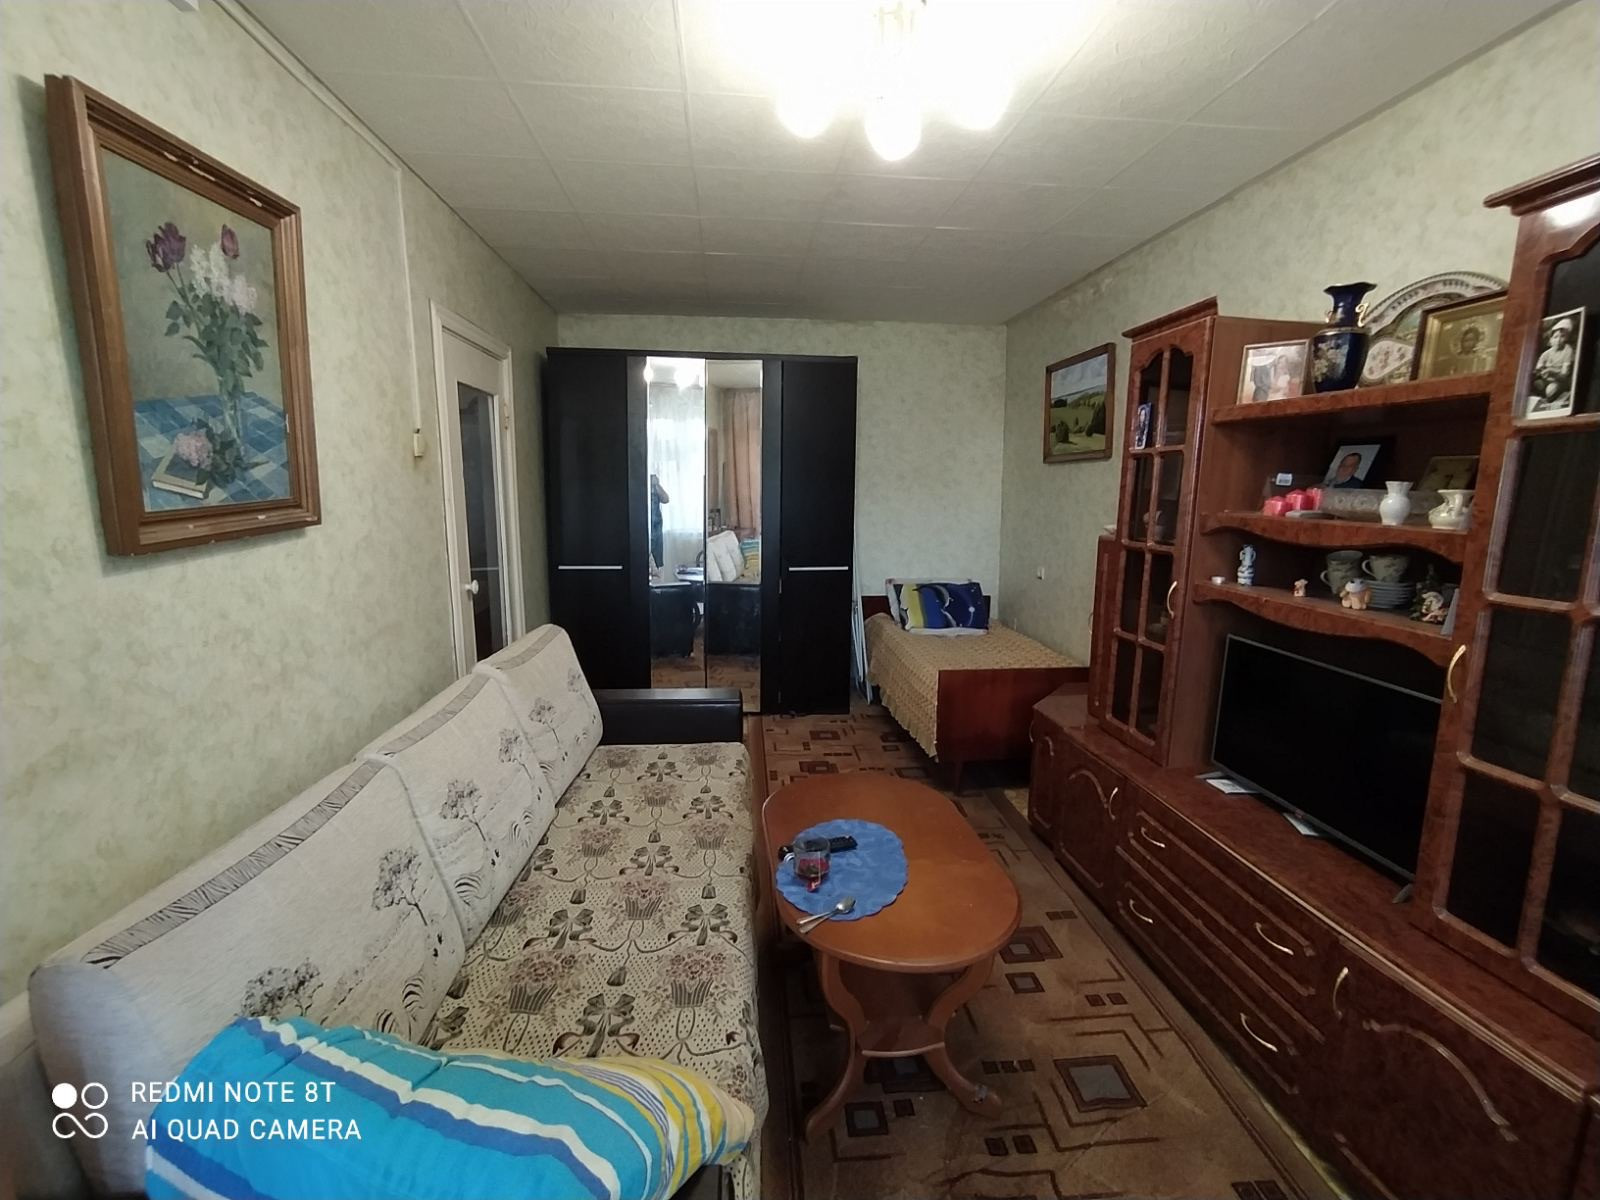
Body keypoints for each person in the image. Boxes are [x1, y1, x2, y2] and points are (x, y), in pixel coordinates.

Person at [1530, 317, 1576, 412]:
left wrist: (1551, 371)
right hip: (1545, 380)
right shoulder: (1545, 354)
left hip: (1559, 382)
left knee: (1550, 390)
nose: (1558, 340)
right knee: (1534, 384)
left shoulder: (1568, 351)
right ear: (1550, 340)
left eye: (1562, 336)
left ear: (1566, 338)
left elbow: (1564, 374)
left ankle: (1549, 400)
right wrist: (1539, 372)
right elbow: (1538, 370)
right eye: (1555, 337)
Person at [649, 473, 669, 571]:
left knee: (656, 563)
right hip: (643, 529)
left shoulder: (654, 486)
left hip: (656, 528)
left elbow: (666, 499)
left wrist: (656, 484)